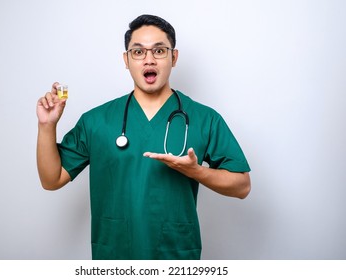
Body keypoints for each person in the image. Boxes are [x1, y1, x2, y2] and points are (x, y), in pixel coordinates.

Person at [36, 14, 251, 260]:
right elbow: (51, 180)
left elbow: (242, 186)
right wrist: (46, 126)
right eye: (138, 52)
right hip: (115, 256)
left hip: (175, 257)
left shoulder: (204, 119)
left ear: (174, 57)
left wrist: (196, 172)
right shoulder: (96, 121)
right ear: (126, 60)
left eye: (159, 51)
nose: (149, 60)